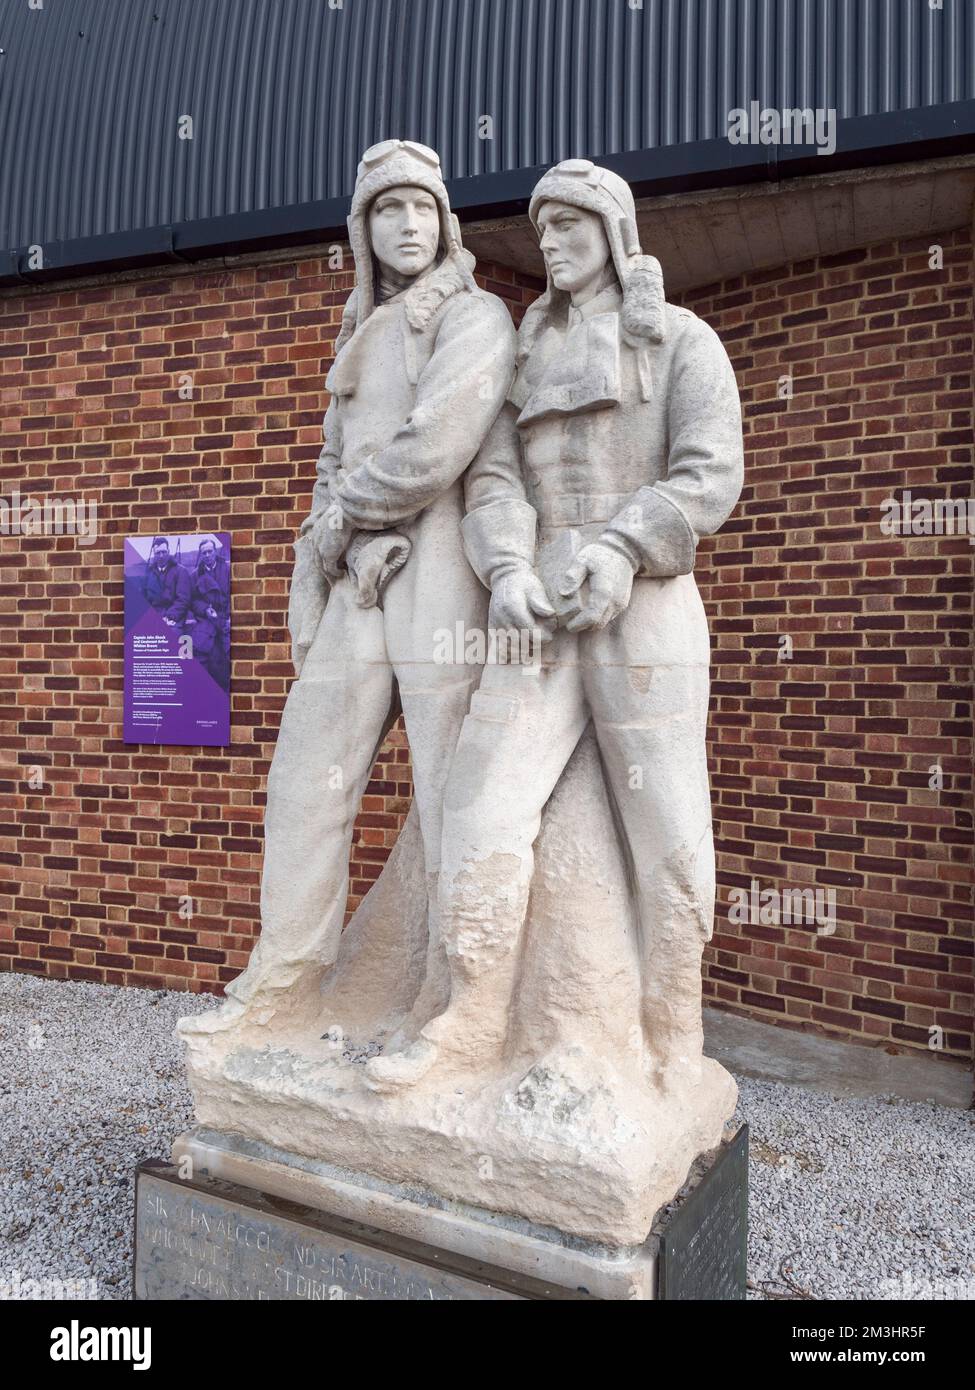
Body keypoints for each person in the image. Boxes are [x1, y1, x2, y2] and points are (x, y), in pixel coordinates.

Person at [367, 158, 744, 1095]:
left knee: (664, 822)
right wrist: (501, 569)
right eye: (543, 233)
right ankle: (465, 1022)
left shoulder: (682, 343)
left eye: (571, 228)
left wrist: (622, 549)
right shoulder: (525, 358)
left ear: (613, 234)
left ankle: (672, 1036)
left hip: (643, 609)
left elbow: (708, 476)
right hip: (534, 614)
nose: (553, 247)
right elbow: (494, 479)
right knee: (480, 805)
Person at [188, 141, 516, 1034]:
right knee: (305, 779)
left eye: (421, 209)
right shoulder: (358, 327)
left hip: (441, 572)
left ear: (444, 222)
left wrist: (344, 521)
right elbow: (332, 463)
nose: (406, 226)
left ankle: (457, 1003)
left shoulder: (474, 317)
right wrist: (327, 542)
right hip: (358, 584)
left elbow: (434, 446)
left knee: (452, 786)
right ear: (361, 227)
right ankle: (282, 983)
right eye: (386, 210)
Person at [188, 537, 231, 690]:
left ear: (215, 552)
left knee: (228, 651)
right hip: (207, 620)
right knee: (201, 650)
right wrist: (205, 609)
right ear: (201, 555)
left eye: (210, 551)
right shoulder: (195, 576)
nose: (207, 555)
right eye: (204, 553)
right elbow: (193, 601)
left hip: (226, 617)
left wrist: (231, 616)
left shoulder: (227, 570)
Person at [143, 537, 191, 627]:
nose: (161, 556)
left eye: (164, 552)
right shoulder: (148, 573)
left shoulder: (181, 571)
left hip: (175, 617)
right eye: (158, 553)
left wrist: (169, 617)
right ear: (154, 554)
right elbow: (144, 599)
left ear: (168, 551)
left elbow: (183, 600)